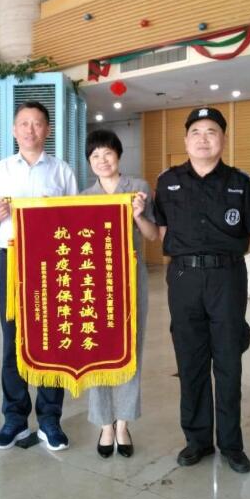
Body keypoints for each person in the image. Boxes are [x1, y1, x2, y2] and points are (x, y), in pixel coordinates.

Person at [153, 107, 250, 474]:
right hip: (184, 279)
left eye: (211, 132)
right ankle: (197, 441)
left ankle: (232, 445)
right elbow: (162, 231)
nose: (203, 139)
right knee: (190, 362)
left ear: (223, 139)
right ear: (186, 140)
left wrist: (227, 257)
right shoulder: (168, 182)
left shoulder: (241, 182)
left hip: (227, 280)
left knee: (228, 362)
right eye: (196, 132)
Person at [0, 101, 79, 451]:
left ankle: (50, 419)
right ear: (14, 130)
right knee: (13, 340)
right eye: (24, 123)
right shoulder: (0, 169)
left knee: (51, 339)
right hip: (12, 259)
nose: (30, 129)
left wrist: (57, 214)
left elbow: (76, 221)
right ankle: (15, 419)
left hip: (52, 262)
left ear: (47, 130)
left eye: (37, 123)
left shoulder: (62, 170)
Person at [82, 130, 158, 458]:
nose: (102, 160)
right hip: (94, 283)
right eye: (95, 156)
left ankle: (124, 423)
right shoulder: (84, 197)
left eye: (108, 153)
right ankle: (105, 424)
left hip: (130, 281)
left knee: (130, 351)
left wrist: (138, 214)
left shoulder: (138, 188)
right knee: (96, 353)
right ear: (89, 162)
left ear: (119, 155)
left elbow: (152, 236)